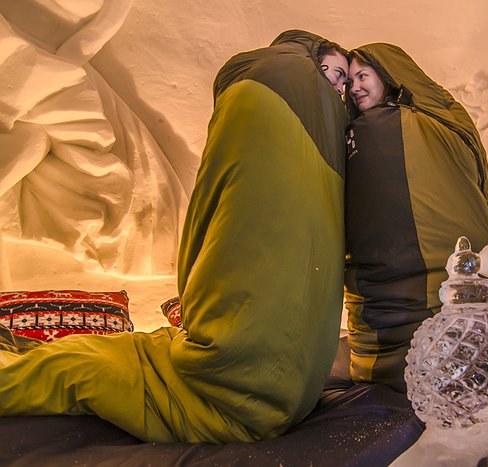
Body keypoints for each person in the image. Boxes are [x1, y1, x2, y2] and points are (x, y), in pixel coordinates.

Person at [0, 30, 349, 444]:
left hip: (222, 380)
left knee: (73, 364)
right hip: (246, 371)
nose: (340, 86)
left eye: (344, 78)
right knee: (79, 349)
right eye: (332, 71)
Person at [343, 44, 488, 393]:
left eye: (363, 76)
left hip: (432, 281)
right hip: (376, 286)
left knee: (452, 337)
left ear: (388, 77)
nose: (354, 86)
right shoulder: (358, 130)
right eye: (350, 80)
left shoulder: (414, 123)